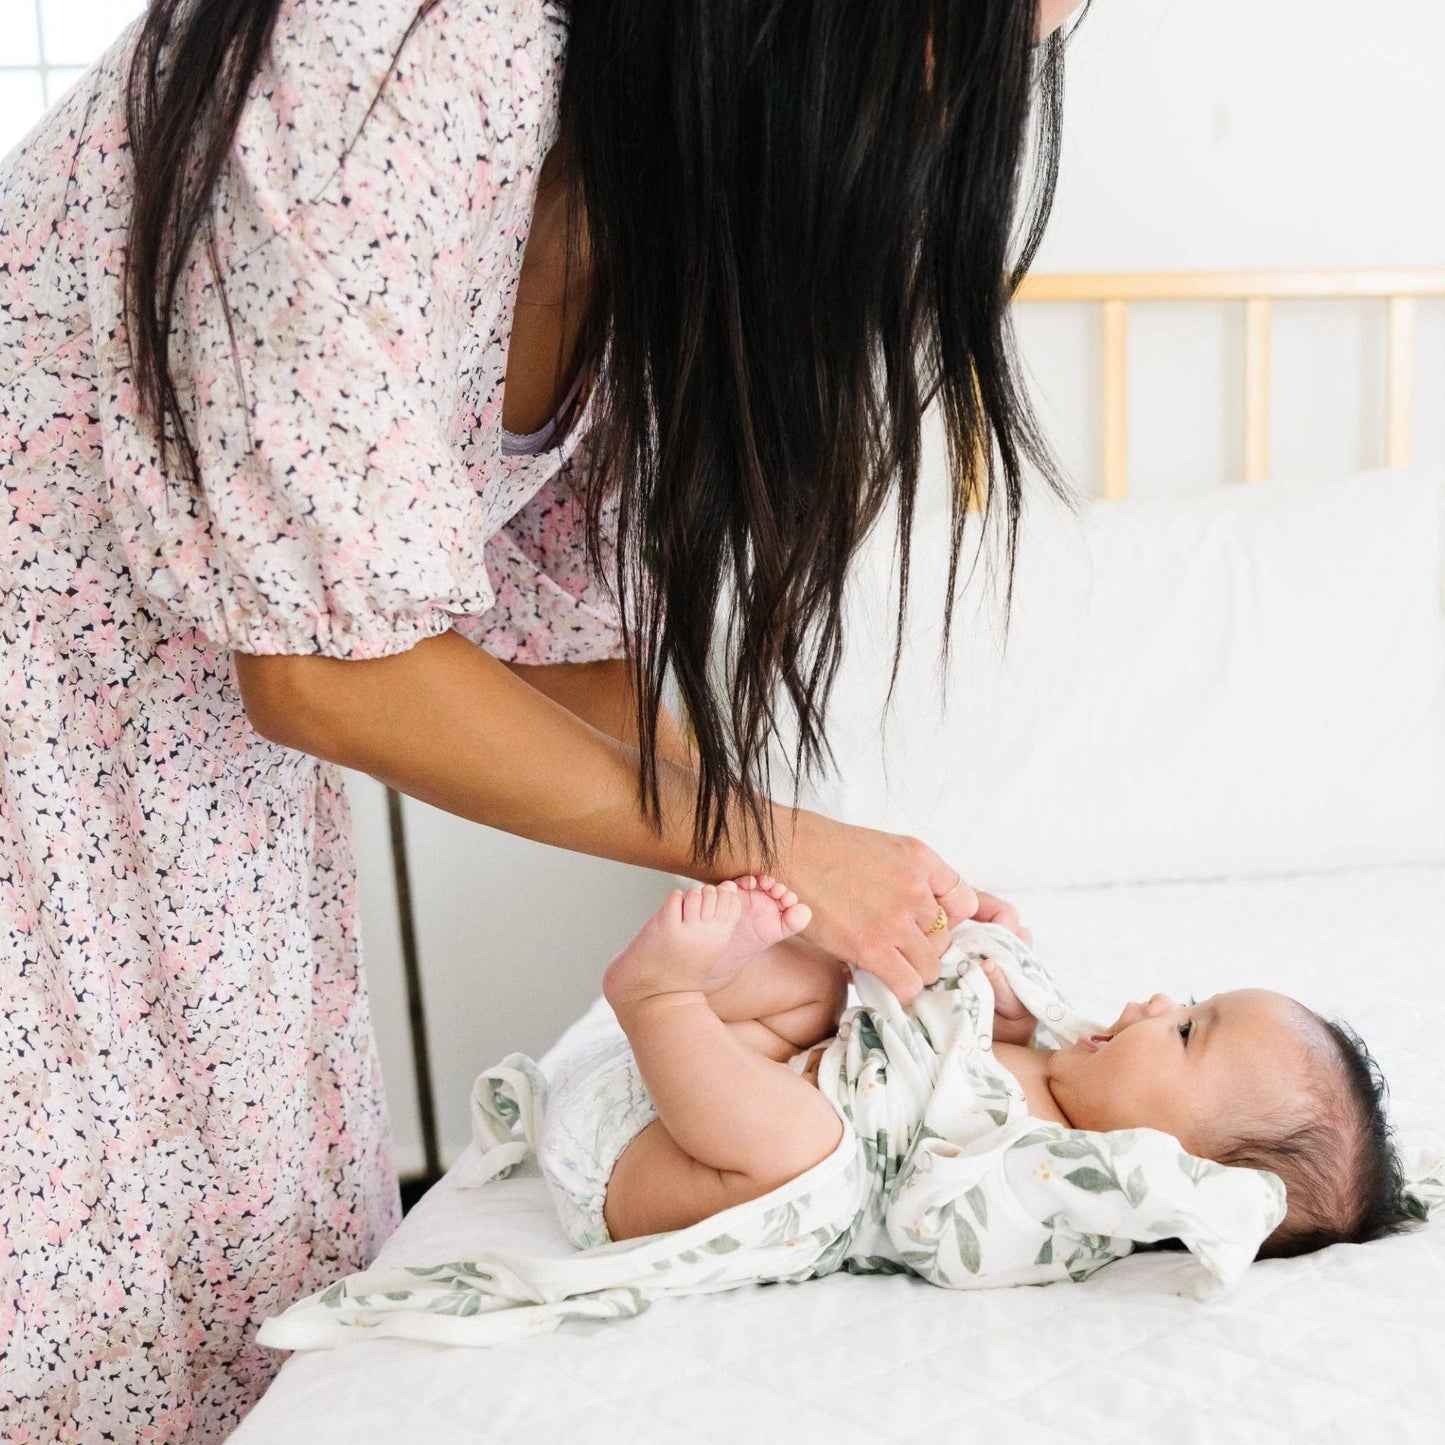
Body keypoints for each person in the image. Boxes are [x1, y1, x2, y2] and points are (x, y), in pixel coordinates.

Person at [0, 0, 1086, 1435]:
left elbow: (562, 649)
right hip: (45, 722)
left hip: (202, 796)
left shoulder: (655, 166)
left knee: (231, 1319)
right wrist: (774, 843)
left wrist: (806, 885)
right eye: (964, 42)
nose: (949, 108)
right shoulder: (408, 46)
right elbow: (326, 668)